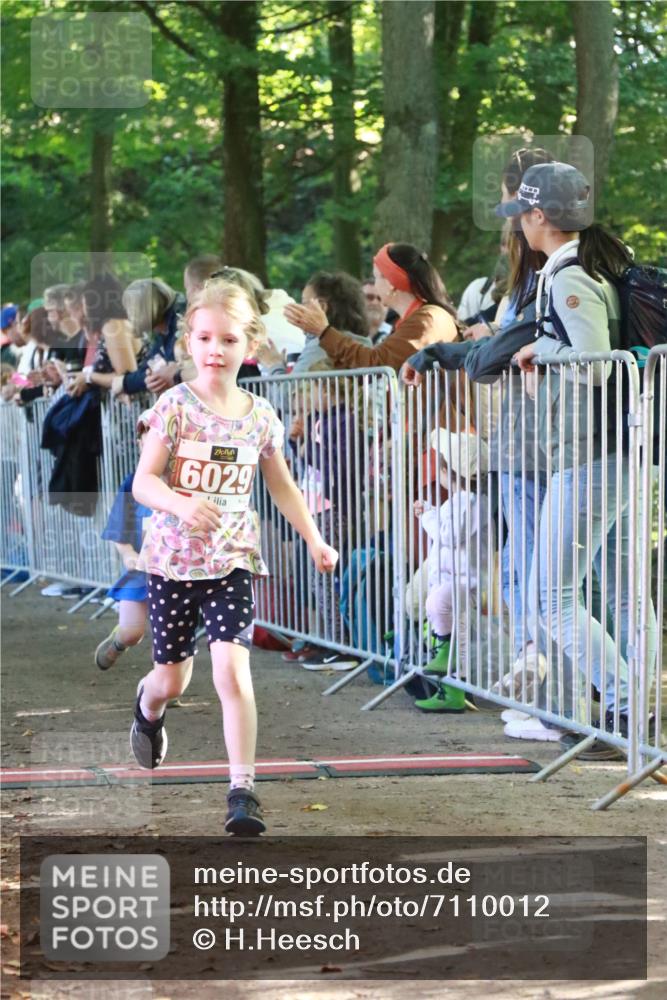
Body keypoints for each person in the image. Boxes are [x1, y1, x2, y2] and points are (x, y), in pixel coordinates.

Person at [130, 277, 338, 835]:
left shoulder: (260, 416)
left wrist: (314, 538)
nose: (215, 351)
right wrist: (180, 503)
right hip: (174, 561)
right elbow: (143, 484)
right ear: (189, 343)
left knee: (232, 672)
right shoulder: (174, 407)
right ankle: (148, 709)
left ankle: (242, 791)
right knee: (171, 681)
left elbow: (283, 486)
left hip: (232, 560)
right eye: (204, 338)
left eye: (227, 340)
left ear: (248, 345)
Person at [506, 161, 657, 754]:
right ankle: (636, 709)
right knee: (622, 591)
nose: (517, 224)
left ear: (539, 216)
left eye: (521, 213)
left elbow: (595, 362)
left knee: (552, 598)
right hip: (617, 452)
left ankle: (621, 705)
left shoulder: (566, 274)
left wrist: (537, 349)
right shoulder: (591, 266)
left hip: (589, 455)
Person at [411, 430, 492, 713]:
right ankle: (452, 690)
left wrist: (427, 516)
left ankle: (447, 658)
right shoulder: (460, 501)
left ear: (446, 472)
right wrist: (432, 509)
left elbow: (448, 534)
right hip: (451, 579)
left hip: (461, 582)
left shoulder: (471, 502)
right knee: (455, 634)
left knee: (439, 610)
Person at [284, 244, 459, 372]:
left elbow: (376, 364)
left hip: (436, 422)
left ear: (391, 283)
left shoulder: (426, 319)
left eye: (376, 278)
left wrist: (323, 331)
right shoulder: (422, 318)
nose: (374, 285)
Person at [94, 410, 154, 671]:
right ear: (139, 444)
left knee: (173, 638)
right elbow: (119, 526)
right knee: (132, 632)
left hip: (178, 571)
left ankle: (165, 687)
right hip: (140, 569)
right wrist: (128, 553)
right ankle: (118, 641)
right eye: (147, 441)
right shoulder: (133, 482)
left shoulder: (186, 482)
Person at [257, 271, 372, 376]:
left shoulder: (321, 346)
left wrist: (274, 365)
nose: (301, 308)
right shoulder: (364, 344)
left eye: (303, 303)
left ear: (321, 307)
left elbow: (292, 394)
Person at [118, 278, 186, 397]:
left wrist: (123, 383)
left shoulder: (179, 323)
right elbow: (147, 368)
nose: (127, 316)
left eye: (129, 310)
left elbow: (168, 367)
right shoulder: (163, 332)